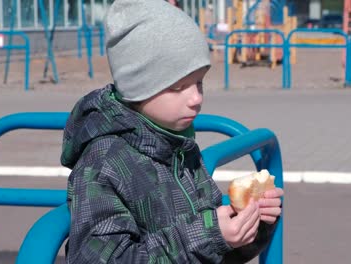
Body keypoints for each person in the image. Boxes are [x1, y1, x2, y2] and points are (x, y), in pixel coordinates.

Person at [61, 0, 284, 263]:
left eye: (199, 82)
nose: (195, 98)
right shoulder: (104, 163)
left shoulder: (179, 146)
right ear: (139, 87)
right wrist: (209, 235)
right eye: (179, 86)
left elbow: (213, 251)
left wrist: (251, 224)